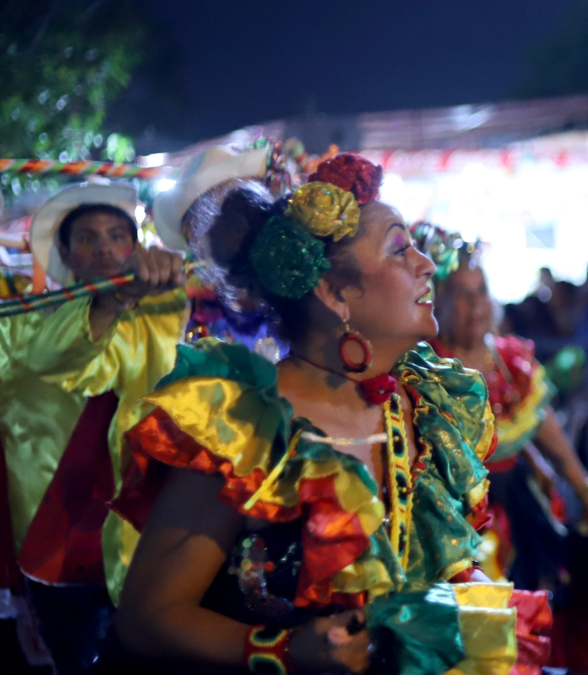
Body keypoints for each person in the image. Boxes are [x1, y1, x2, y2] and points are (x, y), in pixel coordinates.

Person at [103, 155, 524, 675]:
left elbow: (434, 573)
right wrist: (279, 651)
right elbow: (148, 618)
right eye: (399, 248)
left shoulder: (424, 409)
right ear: (333, 292)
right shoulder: (243, 428)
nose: (426, 264)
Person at [0, 182, 188, 674]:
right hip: (57, 546)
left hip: (147, 535)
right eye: (89, 239)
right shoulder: (12, 324)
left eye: (119, 237)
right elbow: (69, 360)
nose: (107, 250)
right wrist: (110, 303)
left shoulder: (157, 313)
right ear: (67, 254)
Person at [423, 238, 588, 589]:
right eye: (462, 294)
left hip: (520, 506)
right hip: (461, 520)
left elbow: (542, 425)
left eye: (481, 290)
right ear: (439, 300)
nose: (475, 303)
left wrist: (585, 489)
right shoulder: (428, 368)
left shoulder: (509, 360)